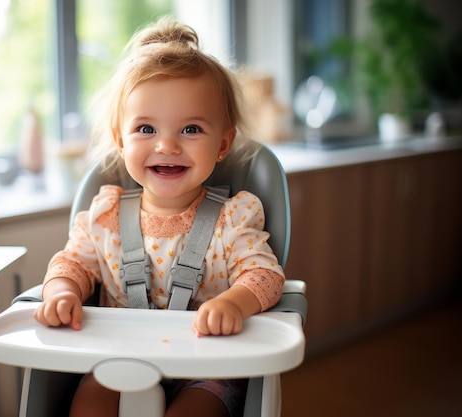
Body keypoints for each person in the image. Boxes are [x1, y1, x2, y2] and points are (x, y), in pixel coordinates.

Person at [33, 17, 286, 417]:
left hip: (208, 364)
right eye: (146, 128)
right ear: (121, 140)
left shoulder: (234, 218)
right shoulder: (105, 215)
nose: (166, 145)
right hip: (119, 355)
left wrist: (235, 304)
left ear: (223, 144)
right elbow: (72, 263)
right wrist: (61, 292)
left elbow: (265, 275)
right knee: (88, 407)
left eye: (190, 129)